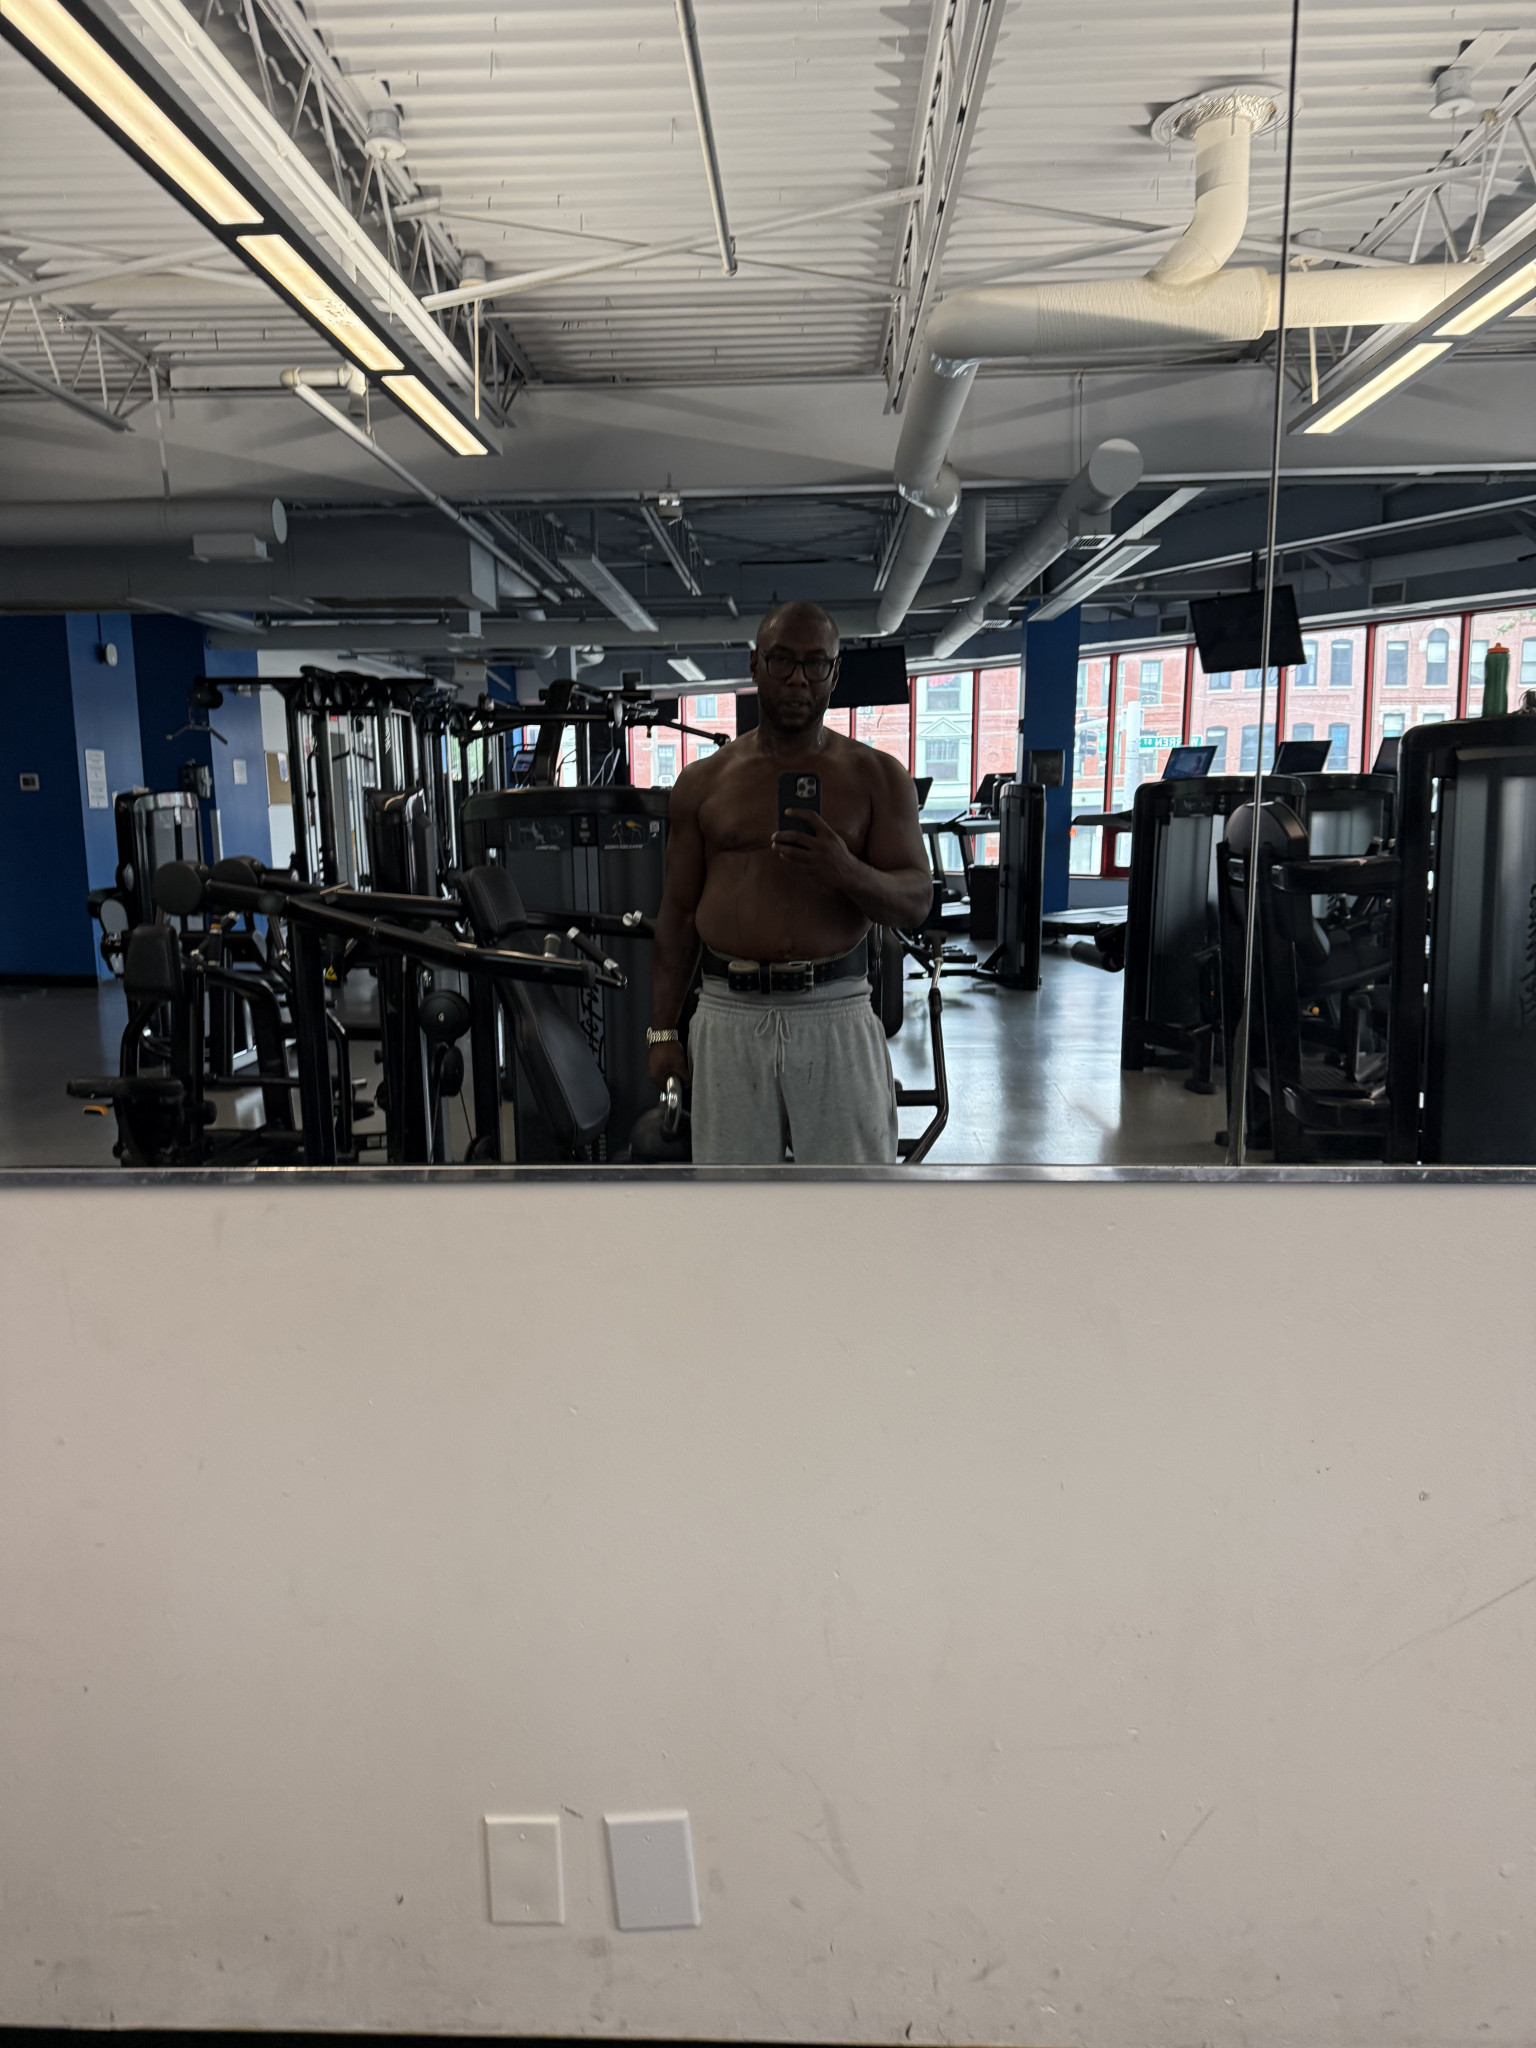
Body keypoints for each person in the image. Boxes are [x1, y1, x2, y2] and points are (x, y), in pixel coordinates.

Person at [646, 600, 933, 1164]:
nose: (799, 679)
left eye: (815, 663)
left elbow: (917, 900)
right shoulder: (702, 783)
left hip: (835, 1011)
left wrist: (846, 870)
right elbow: (677, 916)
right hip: (728, 1015)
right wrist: (662, 1034)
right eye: (782, 660)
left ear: (835, 672)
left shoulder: (877, 776)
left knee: (852, 1199)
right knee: (733, 1202)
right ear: (755, 665)